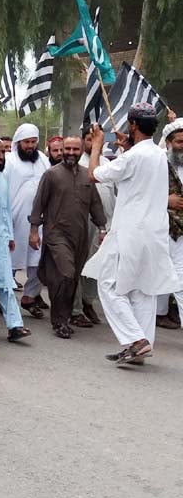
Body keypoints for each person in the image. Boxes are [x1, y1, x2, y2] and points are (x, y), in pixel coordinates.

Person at [82, 105, 181, 364]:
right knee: (143, 291)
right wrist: (128, 148)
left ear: (133, 125)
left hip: (131, 233)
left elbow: (93, 174)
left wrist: (96, 146)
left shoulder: (133, 157)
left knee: (108, 285)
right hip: (155, 233)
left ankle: (135, 340)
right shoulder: (159, 154)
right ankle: (140, 348)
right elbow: (137, 170)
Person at [29, 136, 106, 339]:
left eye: (75, 149)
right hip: (56, 234)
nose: (71, 152)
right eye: (67, 148)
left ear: (81, 150)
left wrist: (102, 228)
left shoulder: (87, 176)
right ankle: (59, 321)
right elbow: (39, 204)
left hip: (80, 237)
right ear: (61, 150)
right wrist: (34, 230)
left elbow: (95, 204)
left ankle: (66, 316)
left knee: (71, 278)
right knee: (66, 274)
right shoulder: (51, 175)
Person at [0, 137, 31, 342]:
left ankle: (15, 326)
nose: (0, 157)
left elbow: (6, 208)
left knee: (5, 281)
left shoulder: (2, 177)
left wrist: (9, 234)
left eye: (2, 153)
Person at [6, 123, 51, 318]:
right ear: (18, 142)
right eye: (27, 142)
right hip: (15, 220)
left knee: (39, 262)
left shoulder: (43, 159)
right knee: (9, 262)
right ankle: (5, 298)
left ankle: (29, 297)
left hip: (39, 220)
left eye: (33, 142)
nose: (31, 146)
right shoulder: (9, 161)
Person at [71, 124, 114, 326]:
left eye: (97, 138)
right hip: (82, 222)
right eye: (89, 139)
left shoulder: (108, 163)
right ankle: (76, 308)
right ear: (83, 141)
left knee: (98, 265)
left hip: (105, 223)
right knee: (80, 264)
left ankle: (89, 302)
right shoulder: (77, 164)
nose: (93, 142)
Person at [155, 118, 183, 329]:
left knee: (181, 281)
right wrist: (165, 200)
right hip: (160, 229)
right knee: (158, 275)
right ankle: (158, 314)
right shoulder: (157, 163)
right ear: (169, 142)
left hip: (181, 235)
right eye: (180, 142)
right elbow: (140, 192)